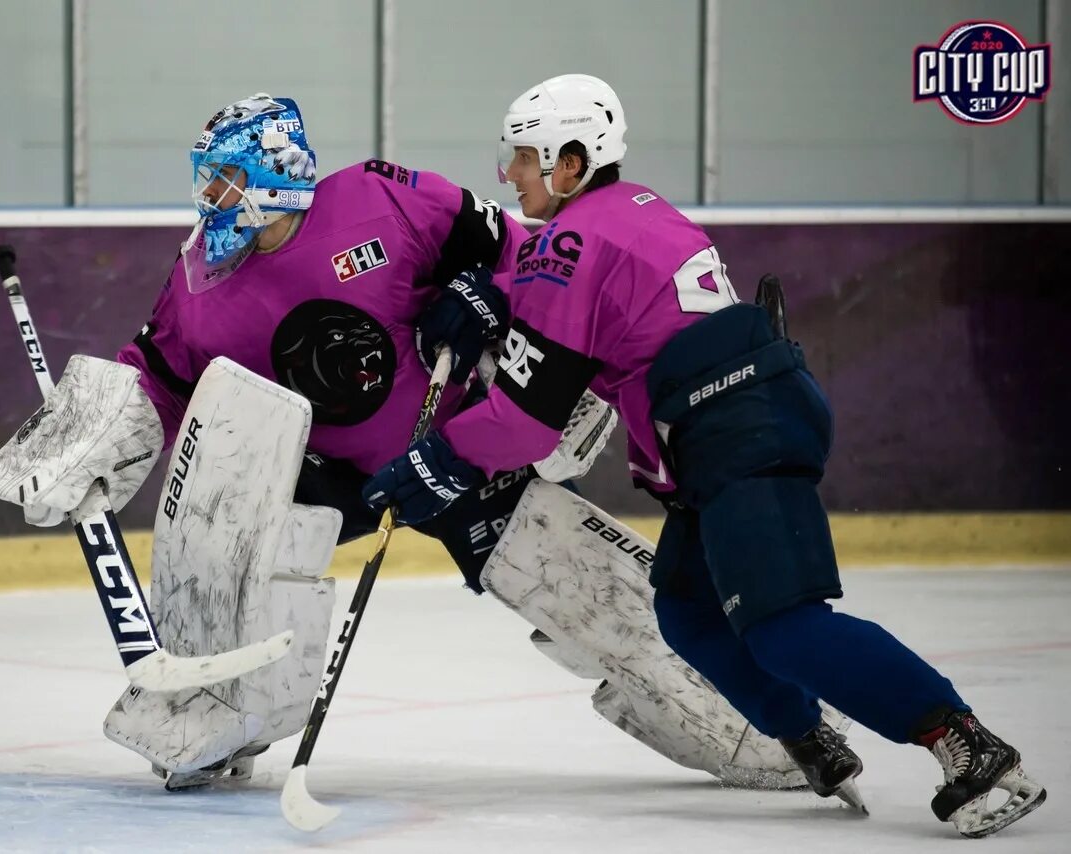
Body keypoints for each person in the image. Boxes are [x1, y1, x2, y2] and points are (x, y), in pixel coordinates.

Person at [0, 93, 823, 794]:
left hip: (466, 444)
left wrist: (481, 293)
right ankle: (211, 717)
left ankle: (768, 727)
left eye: (228, 182)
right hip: (338, 474)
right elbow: (155, 372)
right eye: (210, 183)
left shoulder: (377, 195)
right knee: (232, 546)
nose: (212, 201)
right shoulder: (198, 283)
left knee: (590, 594)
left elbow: (525, 250)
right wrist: (94, 442)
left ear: (277, 175)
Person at [362, 73, 1047, 838]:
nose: (511, 173)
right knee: (688, 613)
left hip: (734, 428)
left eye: (526, 157)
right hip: (737, 419)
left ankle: (966, 744)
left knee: (784, 626)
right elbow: (586, 294)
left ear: (572, 162)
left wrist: (438, 459)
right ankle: (805, 734)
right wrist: (490, 290)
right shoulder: (631, 210)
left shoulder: (573, 240)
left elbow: (526, 422)